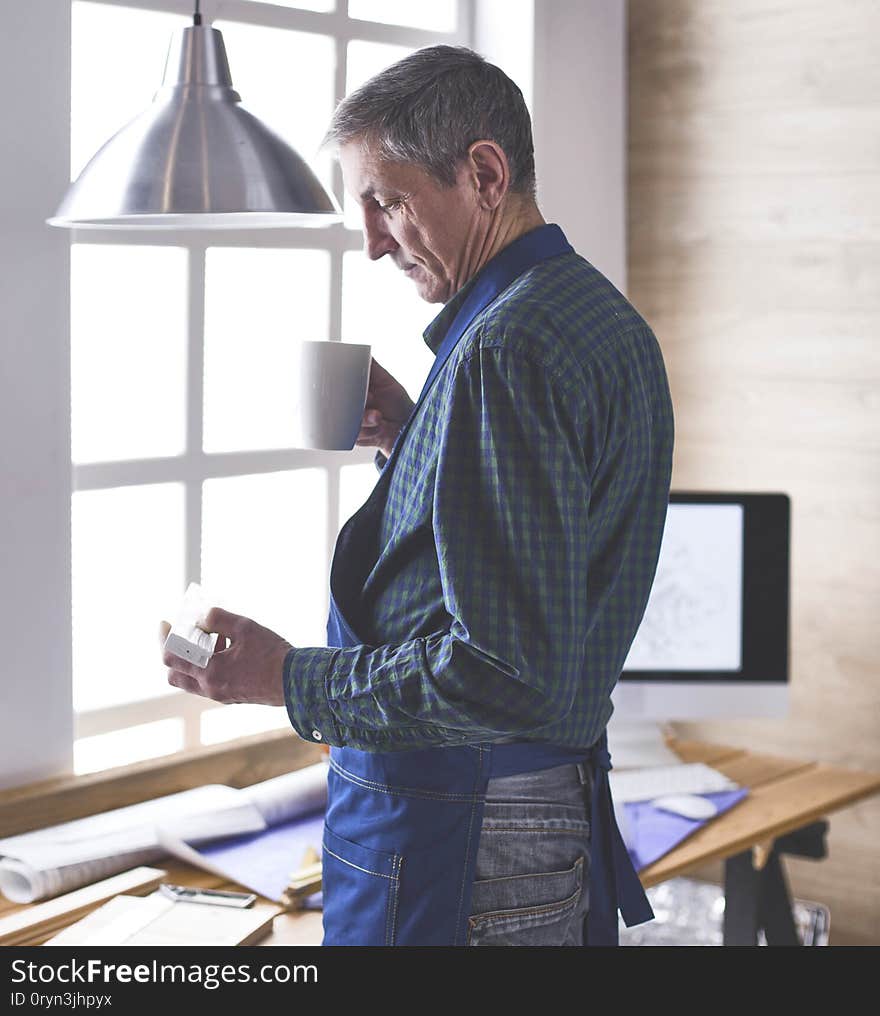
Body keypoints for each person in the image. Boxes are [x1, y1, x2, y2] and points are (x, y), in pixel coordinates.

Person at [161, 45, 674, 947]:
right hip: (524, 813)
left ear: (483, 173)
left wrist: (280, 677)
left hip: (461, 829)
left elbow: (503, 670)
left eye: (387, 199)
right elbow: (556, 538)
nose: (371, 239)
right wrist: (416, 436)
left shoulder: (501, 348)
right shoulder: (594, 314)